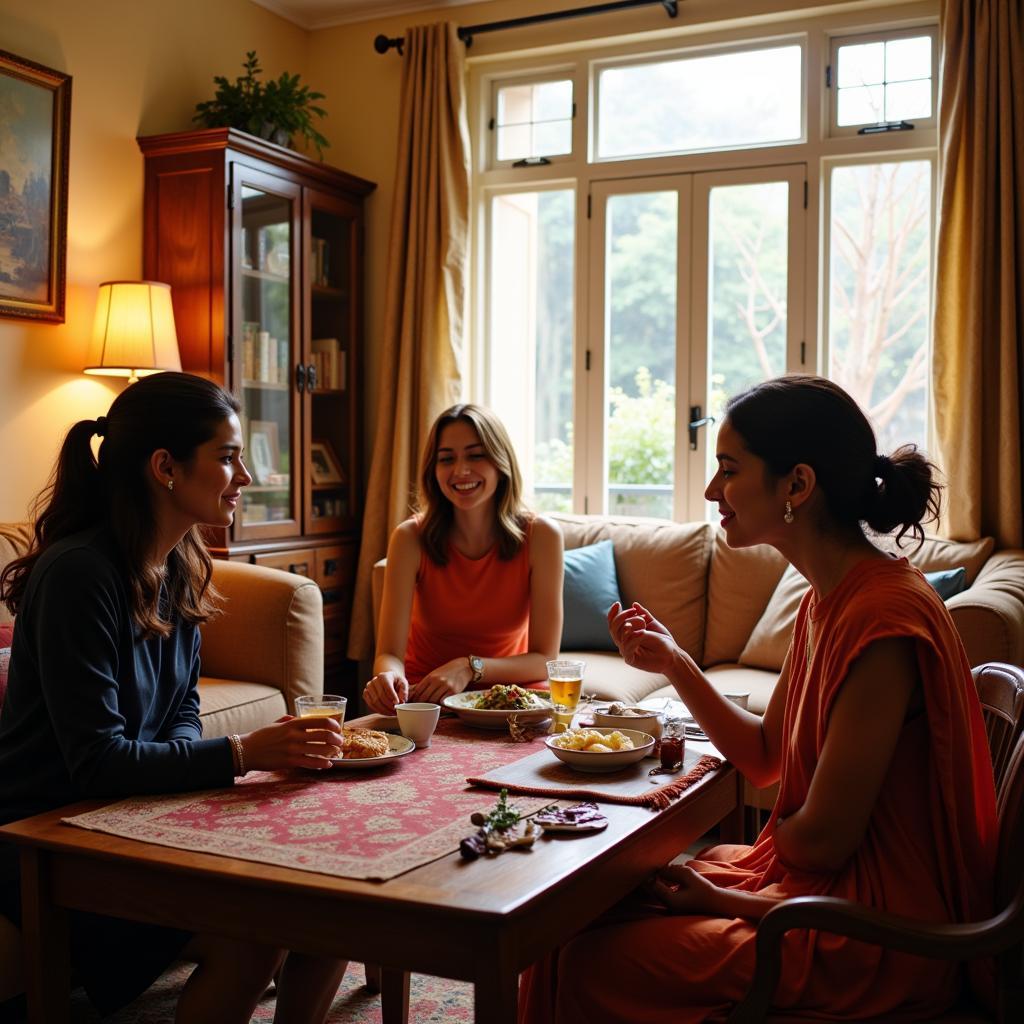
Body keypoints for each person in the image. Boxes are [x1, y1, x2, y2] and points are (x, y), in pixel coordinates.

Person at [520, 375, 998, 1023]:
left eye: (729, 469)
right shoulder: (823, 599)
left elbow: (820, 846)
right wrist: (676, 663)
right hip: (815, 892)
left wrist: (723, 897)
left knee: (589, 958)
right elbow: (767, 760)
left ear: (797, 485)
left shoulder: (883, 619)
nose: (713, 490)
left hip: (868, 932)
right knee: (576, 914)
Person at [0, 372, 348, 1024]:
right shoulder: (79, 576)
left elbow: (181, 708)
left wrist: (191, 796)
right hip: (50, 835)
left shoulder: (180, 561)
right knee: (252, 939)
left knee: (326, 902)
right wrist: (241, 753)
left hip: (132, 814)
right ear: (164, 466)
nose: (245, 475)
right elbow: (96, 762)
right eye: (226, 456)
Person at [363, 403, 563, 714]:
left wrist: (469, 667)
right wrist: (388, 676)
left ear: (500, 462)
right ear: (434, 469)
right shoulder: (409, 538)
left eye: (475, 455)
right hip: (428, 699)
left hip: (510, 699)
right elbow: (388, 652)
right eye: (446, 459)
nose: (460, 471)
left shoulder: (542, 537)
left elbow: (545, 659)